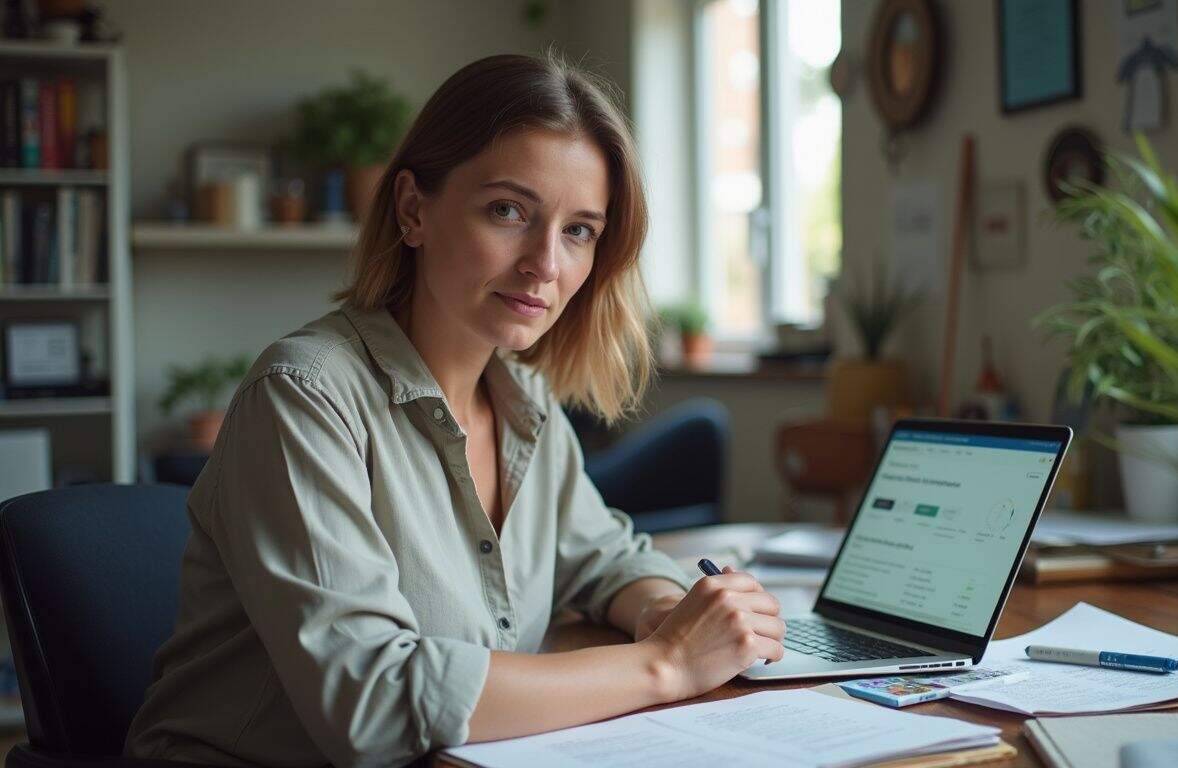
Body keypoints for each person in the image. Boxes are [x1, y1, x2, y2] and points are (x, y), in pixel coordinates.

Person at [125, 53, 785, 767]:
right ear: (413, 209)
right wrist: (668, 663)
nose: (546, 264)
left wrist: (665, 609)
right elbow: (372, 703)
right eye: (509, 211)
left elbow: (606, 559)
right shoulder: (304, 398)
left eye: (579, 231)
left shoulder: (522, 400)